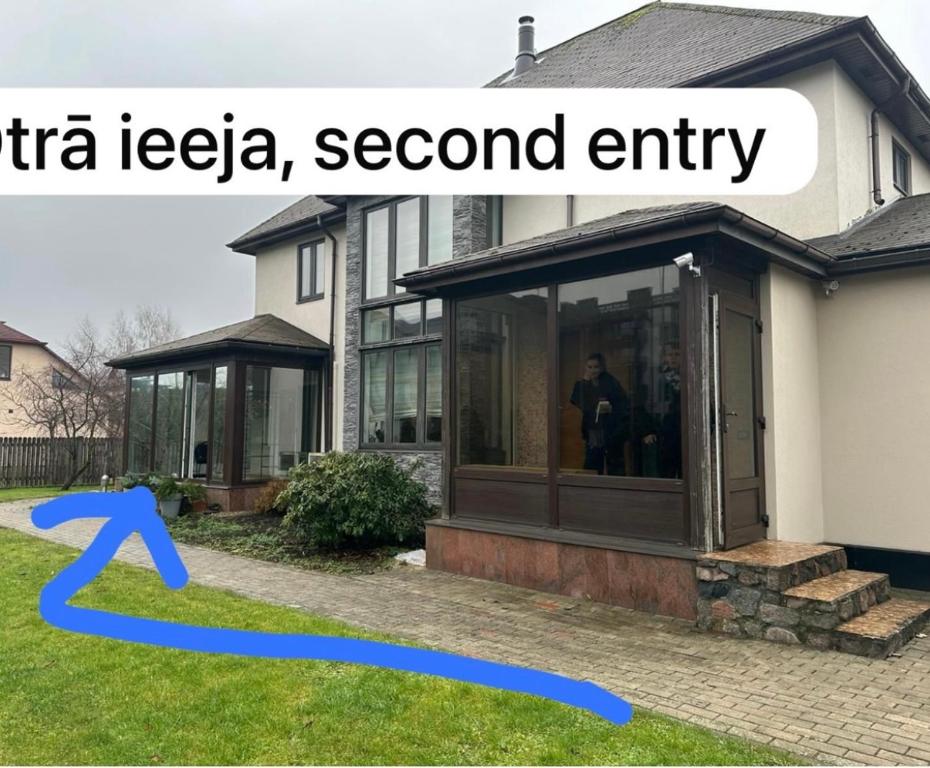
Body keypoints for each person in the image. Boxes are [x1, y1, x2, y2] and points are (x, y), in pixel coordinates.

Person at [569, 353, 629, 475]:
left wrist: (611, 408)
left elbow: (623, 403)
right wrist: (585, 382)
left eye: (596, 367)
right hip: (593, 429)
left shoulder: (611, 382)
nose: (592, 370)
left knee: (614, 463)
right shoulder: (583, 384)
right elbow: (576, 400)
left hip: (611, 429)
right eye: (589, 367)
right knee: (592, 464)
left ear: (602, 367)